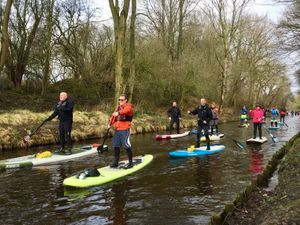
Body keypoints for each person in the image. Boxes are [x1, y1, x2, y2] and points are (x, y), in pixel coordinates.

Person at [109, 95, 134, 169]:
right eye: (119, 100)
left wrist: (118, 113)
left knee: (126, 146)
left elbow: (126, 111)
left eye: (122, 100)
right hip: (117, 130)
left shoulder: (128, 106)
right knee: (116, 146)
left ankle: (130, 163)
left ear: (125, 100)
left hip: (125, 130)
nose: (120, 101)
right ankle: (116, 163)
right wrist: (110, 123)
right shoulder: (118, 108)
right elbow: (113, 117)